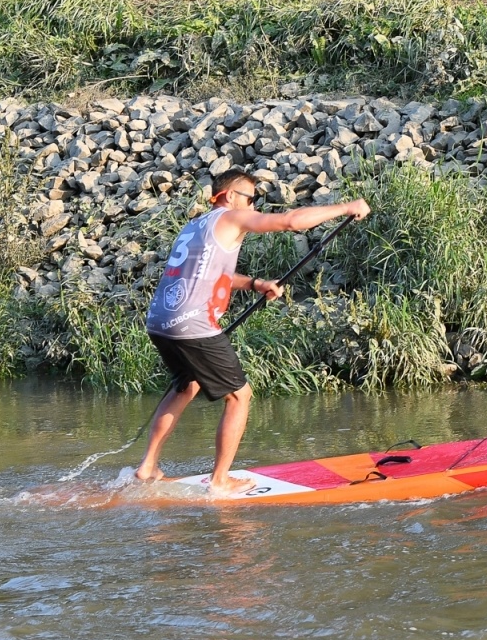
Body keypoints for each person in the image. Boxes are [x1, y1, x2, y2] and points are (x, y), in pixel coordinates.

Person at [134, 169, 370, 495]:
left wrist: (256, 284)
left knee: (185, 387)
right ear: (230, 196)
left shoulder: (197, 226)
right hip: (192, 323)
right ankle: (220, 480)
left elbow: (216, 274)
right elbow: (290, 221)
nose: (254, 206)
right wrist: (346, 208)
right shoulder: (231, 218)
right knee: (240, 395)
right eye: (250, 198)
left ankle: (148, 467)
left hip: (159, 321)